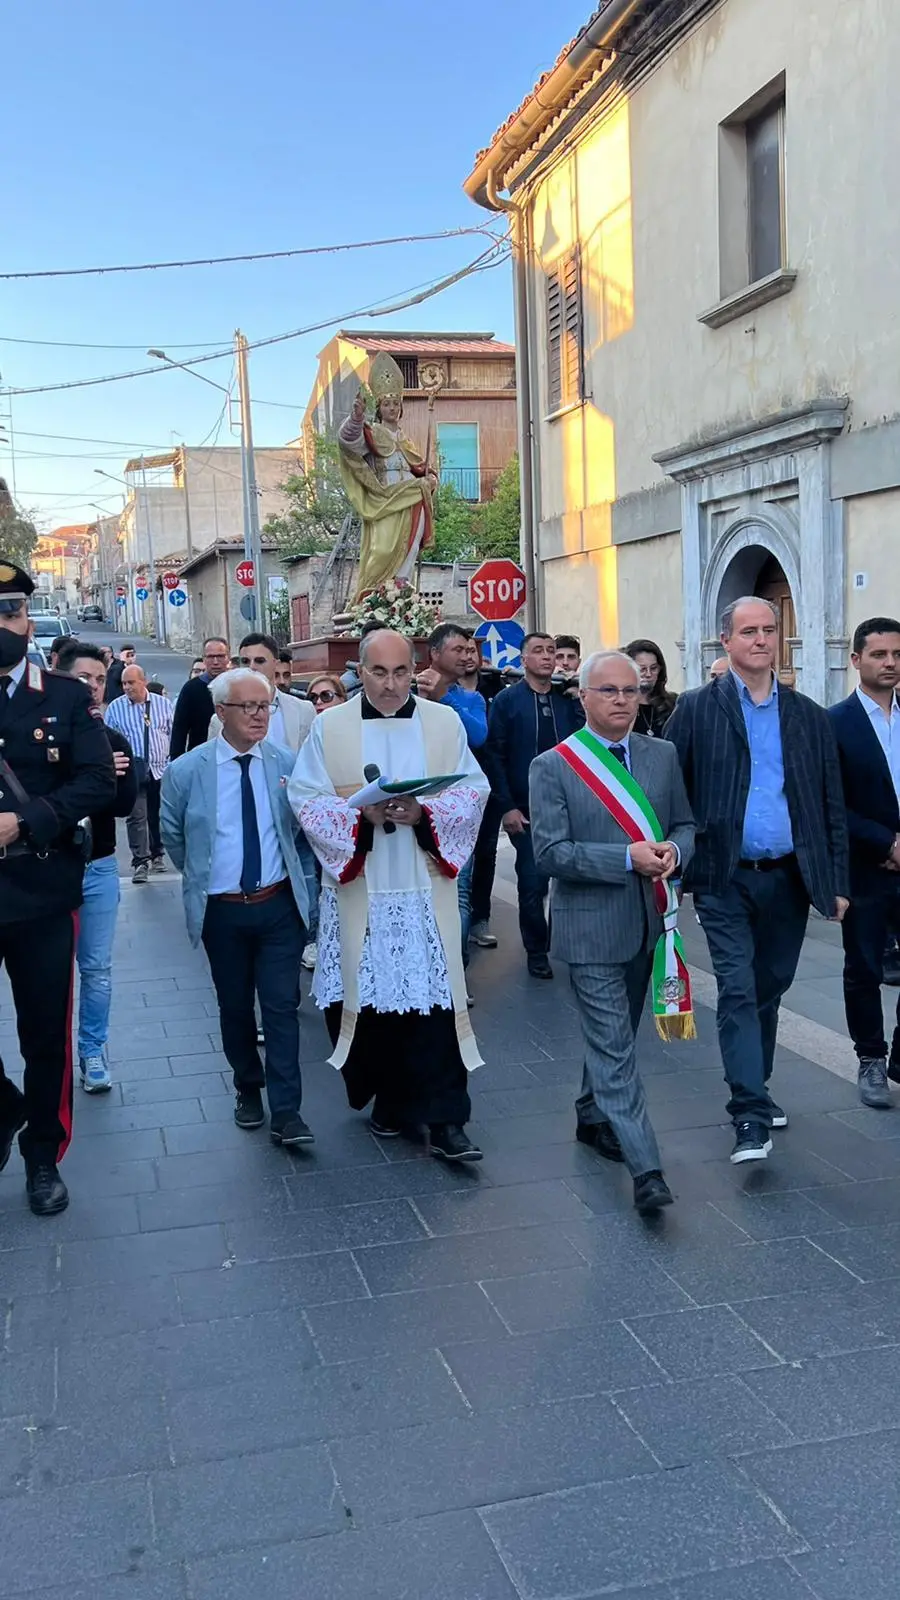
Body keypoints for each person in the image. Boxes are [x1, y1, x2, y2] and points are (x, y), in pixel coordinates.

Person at [288, 628, 489, 1161]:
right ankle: (390, 1100)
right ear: (360, 671)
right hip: (363, 887)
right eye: (378, 672)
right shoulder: (330, 726)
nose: (391, 684)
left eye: (401, 672)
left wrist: (425, 813)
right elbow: (305, 798)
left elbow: (474, 791)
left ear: (415, 670)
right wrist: (361, 815)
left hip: (424, 888)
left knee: (434, 1007)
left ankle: (447, 1121)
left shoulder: (443, 722)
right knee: (371, 1006)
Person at [666, 596, 849, 1163]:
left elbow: (830, 804)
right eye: (749, 631)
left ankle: (757, 1086)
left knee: (770, 985)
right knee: (738, 988)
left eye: (770, 629)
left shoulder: (809, 715)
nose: (762, 639)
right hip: (723, 876)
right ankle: (748, 1111)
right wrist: (676, 858)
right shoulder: (697, 709)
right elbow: (671, 788)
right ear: (726, 640)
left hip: (789, 878)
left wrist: (837, 881)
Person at [530, 651, 695, 1214]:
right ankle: (646, 1168)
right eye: (608, 691)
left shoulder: (661, 754)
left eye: (631, 690)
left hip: (649, 925)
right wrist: (626, 858)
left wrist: (674, 851)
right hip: (590, 931)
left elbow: (684, 824)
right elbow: (551, 852)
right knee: (616, 1048)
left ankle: (590, 1111)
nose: (622, 700)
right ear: (583, 696)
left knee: (614, 1034)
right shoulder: (554, 765)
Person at [0, 558, 116, 1215]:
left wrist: (26, 820)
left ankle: (43, 1157)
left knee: (45, 1035)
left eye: (12, 612)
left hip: (42, 890)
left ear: (27, 618)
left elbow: (97, 781)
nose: (5, 625)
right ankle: (5, 1106)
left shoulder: (66, 697)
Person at [161, 668, 313, 1145]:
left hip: (278, 907)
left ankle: (287, 1112)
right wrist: (210, 877)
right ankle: (248, 1085)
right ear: (220, 712)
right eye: (247, 707)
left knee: (281, 1006)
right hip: (222, 911)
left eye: (264, 706)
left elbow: (300, 834)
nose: (258, 715)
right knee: (235, 1006)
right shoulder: (188, 771)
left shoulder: (287, 764)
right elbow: (174, 837)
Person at [56, 640, 137, 1094]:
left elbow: (124, 806)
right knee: (50, 971)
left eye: (100, 679)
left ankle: (92, 1051)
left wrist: (110, 776)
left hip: (100, 867)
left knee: (97, 968)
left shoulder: (113, 739)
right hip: (51, 866)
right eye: (83, 677)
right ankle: (54, 1057)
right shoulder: (45, 735)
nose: (92, 686)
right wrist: (96, 773)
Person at [482, 631, 585, 978]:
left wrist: (579, 700)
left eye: (551, 651)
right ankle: (536, 950)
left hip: (569, 805)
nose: (547, 656)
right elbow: (494, 755)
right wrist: (506, 806)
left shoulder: (568, 699)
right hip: (525, 808)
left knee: (569, 881)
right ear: (524, 659)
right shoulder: (507, 701)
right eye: (538, 651)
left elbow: (588, 743)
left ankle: (563, 942)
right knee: (532, 882)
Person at [829, 618, 900, 1107]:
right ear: (856, 660)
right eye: (879, 654)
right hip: (865, 867)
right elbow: (832, 802)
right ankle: (871, 1058)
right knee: (864, 968)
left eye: (897, 654)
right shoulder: (835, 722)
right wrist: (886, 844)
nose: (890, 663)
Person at [338, 353, 437, 597]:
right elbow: (348, 443)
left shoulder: (406, 441)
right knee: (381, 551)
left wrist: (430, 480)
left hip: (412, 499)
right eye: (386, 404)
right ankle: (371, 598)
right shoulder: (372, 434)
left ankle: (401, 595)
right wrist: (356, 418)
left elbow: (420, 468)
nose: (392, 408)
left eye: (395, 404)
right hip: (385, 500)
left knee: (409, 549)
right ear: (379, 408)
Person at [105, 663, 174, 882]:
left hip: (160, 769)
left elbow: (172, 733)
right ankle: (140, 862)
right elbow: (107, 740)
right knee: (137, 816)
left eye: (131, 682)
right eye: (124, 683)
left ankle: (157, 853)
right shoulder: (115, 708)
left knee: (157, 815)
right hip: (133, 772)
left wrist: (171, 761)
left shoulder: (163, 705)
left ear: (143, 681)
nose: (127, 687)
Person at [225, 633, 315, 755]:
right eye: (245, 661)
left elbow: (311, 759)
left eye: (259, 661)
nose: (252, 667)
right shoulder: (225, 716)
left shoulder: (303, 710)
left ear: (275, 664)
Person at [170, 636, 229, 759]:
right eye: (211, 657)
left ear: (227, 657)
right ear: (204, 659)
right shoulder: (191, 689)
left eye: (220, 656)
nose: (216, 662)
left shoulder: (238, 686)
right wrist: (177, 761)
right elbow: (179, 730)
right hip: (199, 757)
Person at [624, 639, 678, 737]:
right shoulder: (620, 705)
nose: (648, 674)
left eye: (653, 668)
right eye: (642, 669)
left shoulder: (673, 704)